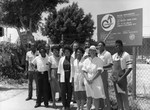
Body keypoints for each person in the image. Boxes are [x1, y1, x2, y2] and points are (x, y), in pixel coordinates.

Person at [82, 45, 105, 110]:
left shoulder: (99, 60)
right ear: (89, 51)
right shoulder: (86, 60)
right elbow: (84, 71)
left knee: (96, 97)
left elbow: (99, 71)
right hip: (87, 81)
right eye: (90, 50)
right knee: (89, 97)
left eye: (93, 50)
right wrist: (87, 79)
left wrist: (92, 79)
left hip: (96, 81)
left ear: (95, 51)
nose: (92, 52)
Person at [112, 40, 132, 110]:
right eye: (116, 46)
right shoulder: (114, 56)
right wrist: (112, 77)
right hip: (115, 80)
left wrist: (122, 78)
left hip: (122, 79)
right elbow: (113, 68)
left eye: (118, 46)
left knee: (124, 97)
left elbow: (130, 68)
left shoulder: (126, 55)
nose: (117, 47)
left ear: (122, 46)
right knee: (118, 97)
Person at [57, 45, 74, 110]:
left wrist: (73, 79)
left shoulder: (73, 59)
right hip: (63, 77)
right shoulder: (61, 59)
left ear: (70, 52)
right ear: (64, 52)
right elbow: (59, 69)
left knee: (69, 92)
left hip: (70, 77)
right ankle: (64, 105)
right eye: (65, 52)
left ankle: (68, 105)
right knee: (63, 92)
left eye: (68, 51)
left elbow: (74, 70)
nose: (66, 53)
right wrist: (58, 78)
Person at [97, 41, 113, 110]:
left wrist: (101, 67)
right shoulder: (97, 54)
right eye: (98, 45)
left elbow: (110, 64)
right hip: (97, 74)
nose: (99, 47)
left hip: (104, 74)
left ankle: (107, 107)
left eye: (101, 45)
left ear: (104, 46)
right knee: (98, 90)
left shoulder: (107, 54)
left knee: (105, 91)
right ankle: (101, 106)